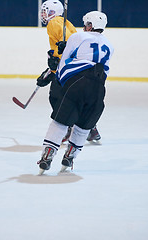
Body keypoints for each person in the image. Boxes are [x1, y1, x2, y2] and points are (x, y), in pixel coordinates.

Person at [37, 11, 114, 174]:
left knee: (60, 121)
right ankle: (70, 155)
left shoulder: (77, 37)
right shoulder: (110, 45)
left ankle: (48, 154)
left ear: (90, 25)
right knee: (84, 126)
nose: (84, 26)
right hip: (99, 89)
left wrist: (56, 74)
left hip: (77, 84)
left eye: (86, 23)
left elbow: (63, 64)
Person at [36, 0, 101, 143]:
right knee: (67, 97)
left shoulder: (53, 23)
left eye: (45, 11)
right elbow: (66, 46)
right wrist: (51, 69)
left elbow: (65, 48)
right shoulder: (66, 23)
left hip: (67, 68)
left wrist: (55, 67)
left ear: (53, 12)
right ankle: (91, 129)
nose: (43, 14)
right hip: (72, 67)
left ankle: (69, 127)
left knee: (56, 97)